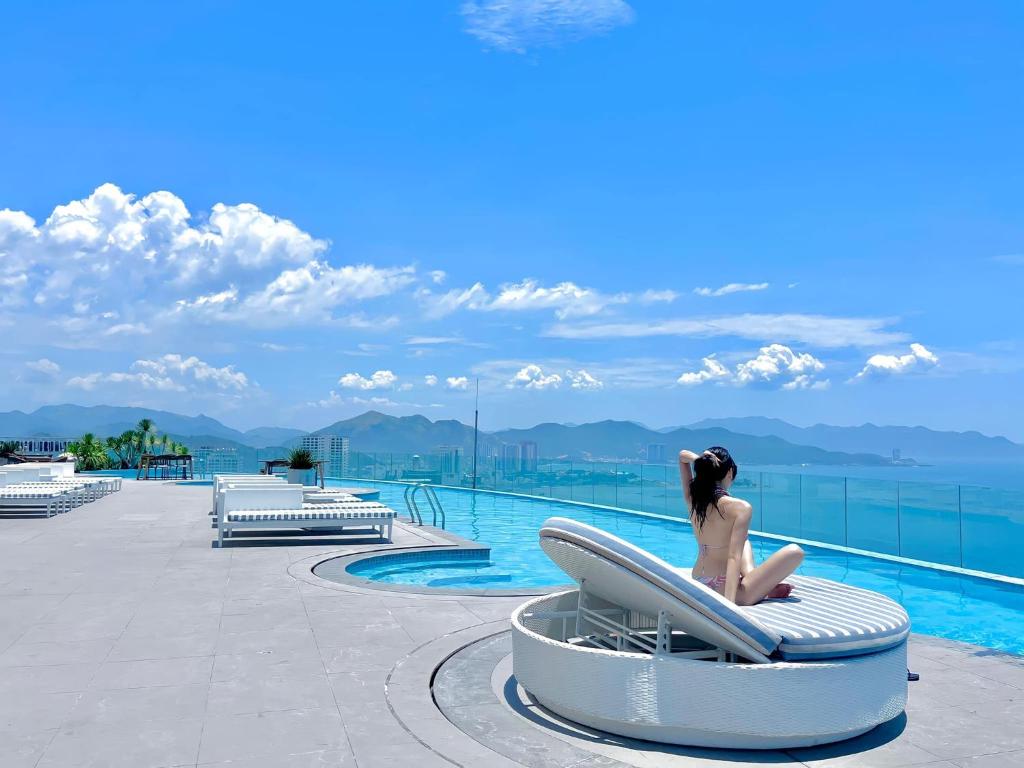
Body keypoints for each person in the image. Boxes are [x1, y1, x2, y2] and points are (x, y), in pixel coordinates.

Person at [678, 446, 803, 605]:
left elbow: (682, 456)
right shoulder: (741, 508)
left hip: (699, 580)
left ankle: (762, 586)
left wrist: (700, 460)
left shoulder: (693, 500)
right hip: (728, 591)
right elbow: (733, 557)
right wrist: (729, 606)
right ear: (729, 472)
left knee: (743, 541)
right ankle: (763, 589)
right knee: (795, 551)